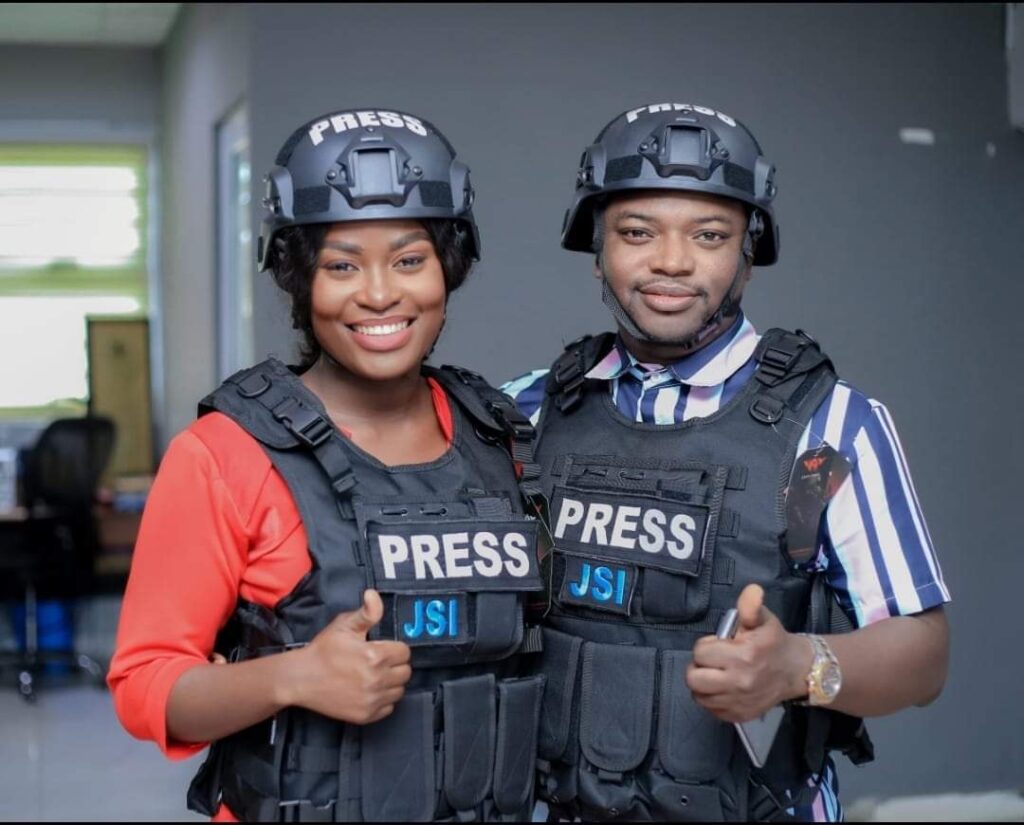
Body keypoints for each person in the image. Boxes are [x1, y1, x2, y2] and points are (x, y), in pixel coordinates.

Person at [502, 102, 950, 822]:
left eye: (709, 235)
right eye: (636, 232)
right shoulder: (525, 414)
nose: (672, 261)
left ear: (749, 251)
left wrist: (797, 665)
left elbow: (924, 655)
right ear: (597, 249)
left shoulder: (828, 431)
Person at [109, 108, 547, 822]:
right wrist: (293, 675)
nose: (378, 293)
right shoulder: (226, 454)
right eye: (342, 265)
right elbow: (143, 686)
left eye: (409, 259)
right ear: (300, 278)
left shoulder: (502, 436)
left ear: (449, 267)